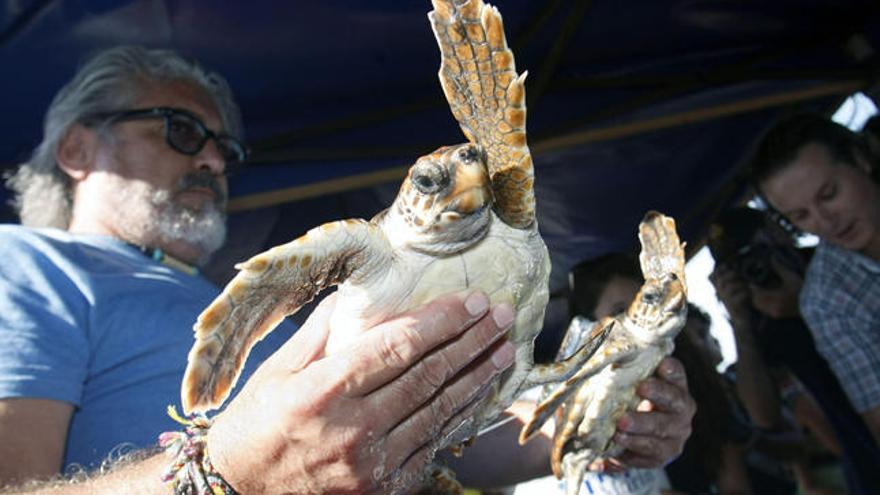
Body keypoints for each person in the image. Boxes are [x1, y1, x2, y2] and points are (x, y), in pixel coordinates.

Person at [0, 46, 695, 494]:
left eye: (226, 151)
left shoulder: (221, 297)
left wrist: (585, 426)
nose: (213, 160)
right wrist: (222, 472)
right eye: (181, 131)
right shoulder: (24, 263)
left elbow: (420, 444)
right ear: (76, 148)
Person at [708, 205, 880, 495]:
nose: (757, 265)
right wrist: (741, 323)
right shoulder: (760, 321)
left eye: (758, 249)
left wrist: (805, 305)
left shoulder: (835, 267)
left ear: (779, 234)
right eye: (741, 262)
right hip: (864, 460)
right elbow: (763, 416)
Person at [749, 113, 880, 449]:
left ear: (861, 159)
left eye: (829, 194)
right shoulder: (826, 299)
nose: (825, 221)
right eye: (801, 216)